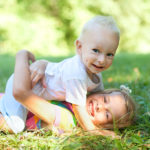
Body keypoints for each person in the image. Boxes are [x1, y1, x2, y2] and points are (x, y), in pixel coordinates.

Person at [0, 15, 120, 135]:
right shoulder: (77, 74)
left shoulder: (96, 74)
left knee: (9, 108)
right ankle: (22, 55)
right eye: (95, 50)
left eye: (109, 54)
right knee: (15, 125)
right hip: (24, 84)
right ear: (79, 47)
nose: (102, 60)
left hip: (31, 93)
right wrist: (94, 131)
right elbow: (78, 108)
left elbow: (97, 95)